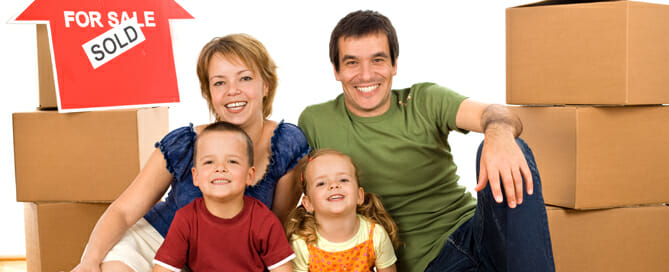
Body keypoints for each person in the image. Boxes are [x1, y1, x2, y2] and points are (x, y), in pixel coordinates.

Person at [297, 10, 555, 272]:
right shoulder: (316, 121)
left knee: (509, 144)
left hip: (475, 231)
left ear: (394, 64)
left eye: (378, 59)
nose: (366, 75)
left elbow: (498, 114)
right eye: (352, 63)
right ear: (336, 70)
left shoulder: (424, 100)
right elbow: (297, 195)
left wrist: (498, 134)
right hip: (431, 265)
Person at [72, 33, 309, 272]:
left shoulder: (285, 144)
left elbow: (278, 223)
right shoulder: (185, 143)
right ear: (208, 93)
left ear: (266, 85)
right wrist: (89, 261)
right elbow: (123, 211)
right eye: (219, 82)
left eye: (245, 78)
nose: (232, 91)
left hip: (229, 257)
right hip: (157, 240)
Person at [152, 121, 294, 272]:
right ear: (196, 176)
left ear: (250, 175)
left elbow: (282, 269)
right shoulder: (185, 220)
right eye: (209, 162)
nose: (220, 168)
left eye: (232, 161)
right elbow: (163, 269)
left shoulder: (264, 221)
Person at [284, 149, 400, 272]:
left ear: (359, 196)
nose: (334, 185)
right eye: (321, 183)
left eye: (343, 180)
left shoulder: (376, 235)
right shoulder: (301, 243)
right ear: (308, 203)